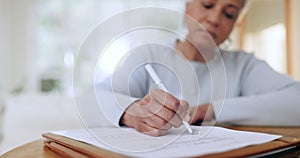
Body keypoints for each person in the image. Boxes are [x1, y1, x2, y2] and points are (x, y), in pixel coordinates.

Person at [94, 0, 300, 137]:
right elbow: (94, 98)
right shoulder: (148, 56)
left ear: (235, 24)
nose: (214, 19)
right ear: (187, 7)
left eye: (229, 14)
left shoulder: (243, 66)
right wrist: (130, 112)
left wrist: (212, 110)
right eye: (208, 4)